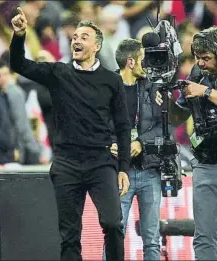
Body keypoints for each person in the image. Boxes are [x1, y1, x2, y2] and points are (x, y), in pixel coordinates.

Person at [10, 7, 131, 261]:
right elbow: (18, 64)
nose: (76, 40)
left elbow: (122, 127)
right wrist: (19, 35)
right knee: (69, 236)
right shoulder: (59, 73)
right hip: (66, 164)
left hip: (101, 163)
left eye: (83, 37)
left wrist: (123, 168)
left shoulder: (111, 80)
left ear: (97, 46)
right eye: (74, 36)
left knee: (112, 223)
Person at [156, 26, 217, 260]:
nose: (200, 63)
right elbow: (177, 118)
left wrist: (206, 92)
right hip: (204, 163)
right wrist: (167, 103)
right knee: (203, 235)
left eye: (206, 58)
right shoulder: (195, 74)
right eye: (197, 58)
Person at [104, 38, 162, 260]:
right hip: (118, 173)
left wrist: (141, 143)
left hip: (149, 170)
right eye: (142, 60)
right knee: (115, 235)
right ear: (130, 62)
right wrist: (109, 145)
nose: (145, 65)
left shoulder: (152, 87)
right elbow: (96, 124)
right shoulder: (106, 87)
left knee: (152, 240)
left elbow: (164, 128)